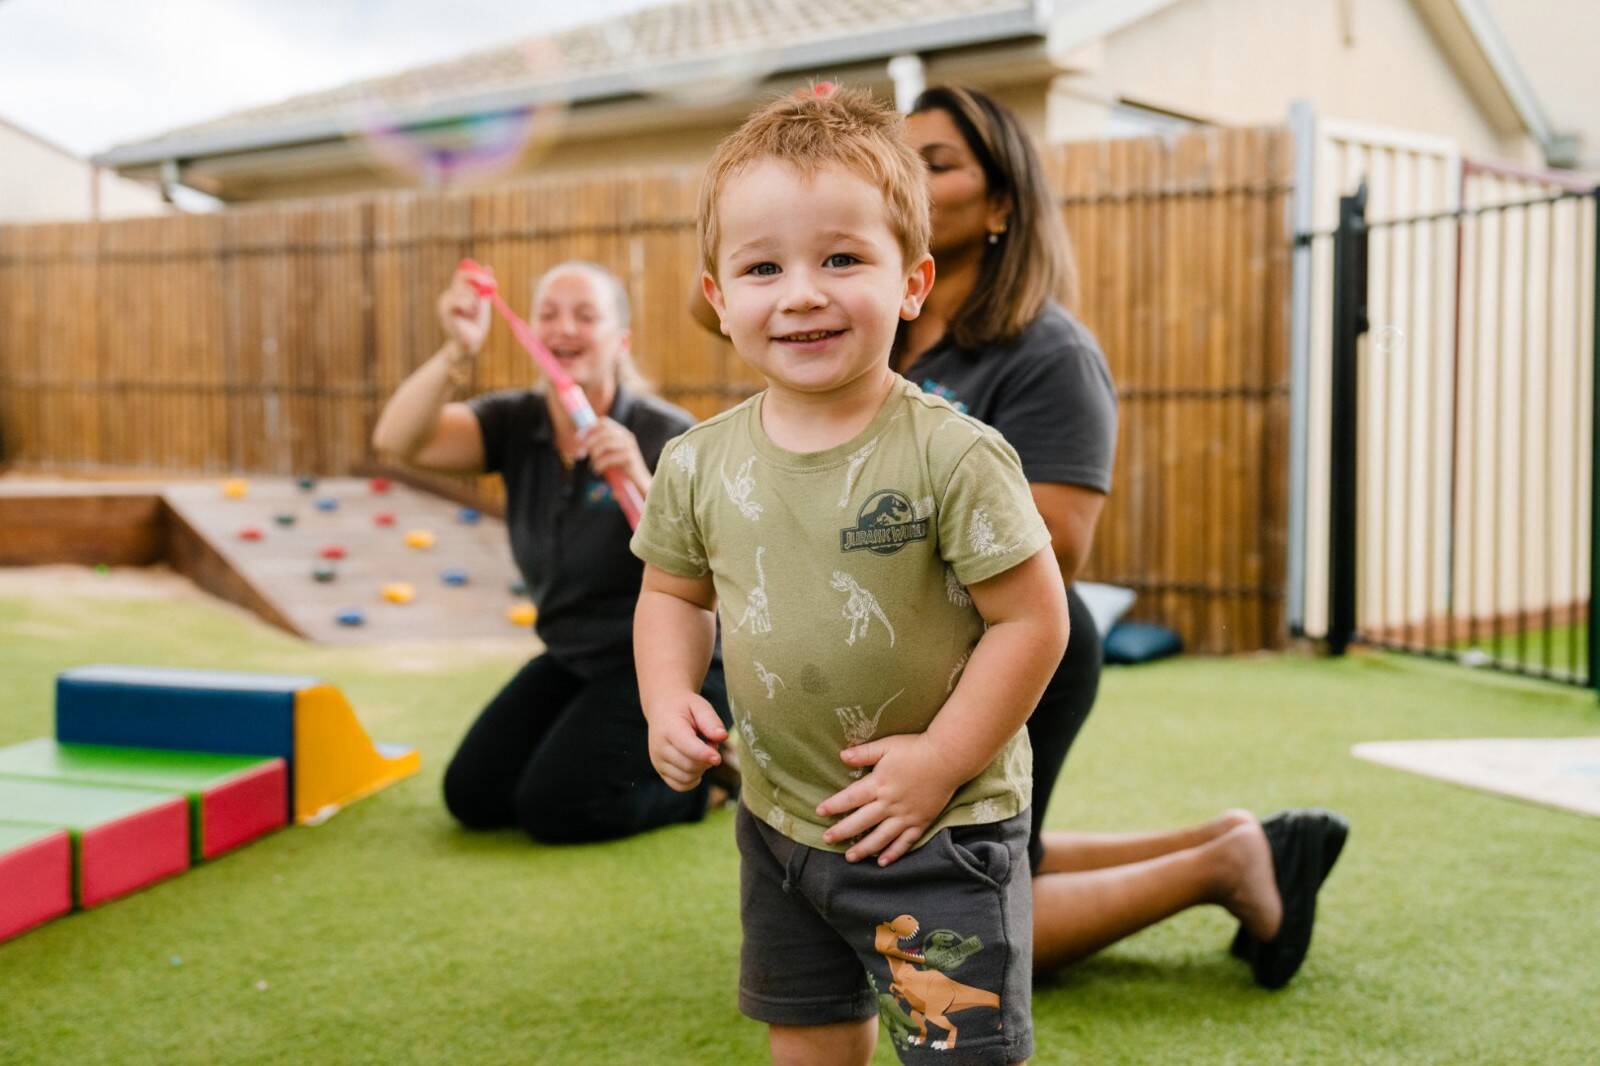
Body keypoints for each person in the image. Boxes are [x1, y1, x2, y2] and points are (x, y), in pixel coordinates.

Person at [632, 86, 1068, 1066]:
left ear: (910, 281)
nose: (800, 292)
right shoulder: (696, 462)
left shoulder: (953, 455)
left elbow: (1033, 622)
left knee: (955, 1049)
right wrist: (665, 699)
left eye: (840, 258)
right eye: (761, 266)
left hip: (940, 830)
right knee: (809, 1031)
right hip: (780, 823)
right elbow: (670, 593)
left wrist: (942, 759)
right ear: (718, 297)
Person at [898, 85, 1347, 989]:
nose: (905, 176)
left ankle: (1221, 870)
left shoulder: (1047, 352)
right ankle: (1228, 838)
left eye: (934, 162)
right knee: (940, 864)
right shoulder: (886, 329)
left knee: (933, 935)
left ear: (1001, 205)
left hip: (1013, 652)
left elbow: (1060, 547)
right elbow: (726, 303)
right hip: (912, 650)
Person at [371, 259, 730, 843]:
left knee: (555, 808)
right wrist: (456, 350)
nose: (564, 327)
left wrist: (640, 479)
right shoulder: (516, 421)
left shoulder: (665, 432)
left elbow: (716, 569)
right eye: (549, 315)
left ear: (621, 340)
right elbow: (398, 439)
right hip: (572, 655)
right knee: (474, 796)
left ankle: (707, 792)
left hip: (668, 664)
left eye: (585, 315)